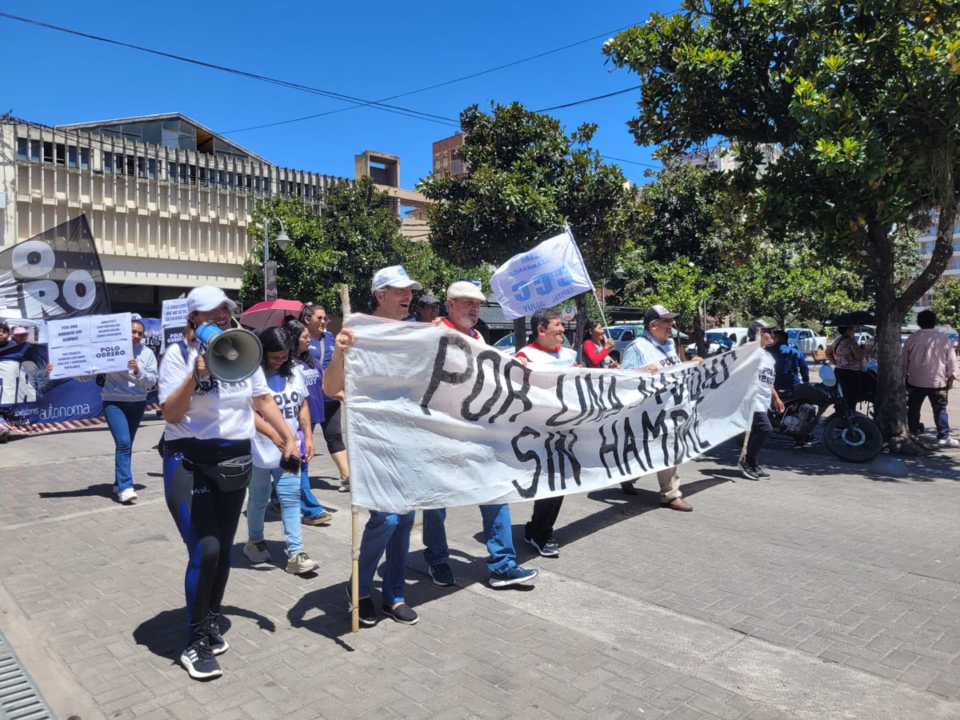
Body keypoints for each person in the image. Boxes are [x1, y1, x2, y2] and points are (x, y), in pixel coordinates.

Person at [158, 285, 298, 681]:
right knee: (206, 549)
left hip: (235, 461)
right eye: (210, 311)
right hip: (189, 460)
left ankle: (210, 617)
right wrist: (195, 375)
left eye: (225, 308)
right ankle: (194, 641)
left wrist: (286, 437)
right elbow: (170, 413)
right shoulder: (177, 355)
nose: (220, 315)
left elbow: (262, 401)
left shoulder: (241, 350)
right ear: (193, 318)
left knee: (220, 552)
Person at [422, 281, 539, 588]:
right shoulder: (433, 335)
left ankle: (502, 564)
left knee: (497, 492)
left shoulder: (477, 338)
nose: (473, 309)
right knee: (436, 502)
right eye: (466, 303)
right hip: (440, 436)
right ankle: (437, 559)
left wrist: (514, 365)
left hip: (478, 434)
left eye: (477, 304)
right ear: (450, 304)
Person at [323, 265, 422, 627]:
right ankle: (360, 589)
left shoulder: (414, 333)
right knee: (386, 516)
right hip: (373, 439)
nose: (408, 295)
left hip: (410, 436)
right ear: (380, 295)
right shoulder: (357, 330)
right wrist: (338, 354)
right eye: (400, 290)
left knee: (407, 517)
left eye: (409, 290)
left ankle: (394, 594)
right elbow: (331, 389)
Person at [244, 327, 322, 575]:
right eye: (274, 356)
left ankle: (296, 553)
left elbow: (302, 405)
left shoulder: (295, 372)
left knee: (290, 499)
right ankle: (255, 542)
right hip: (258, 448)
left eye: (284, 356)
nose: (279, 360)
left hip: (290, 448)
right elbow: (249, 412)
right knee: (258, 499)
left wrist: (307, 436)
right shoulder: (251, 375)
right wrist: (276, 437)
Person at [618, 305, 701, 509]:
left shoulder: (669, 344)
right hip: (650, 410)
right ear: (653, 325)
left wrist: (690, 363)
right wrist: (643, 370)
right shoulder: (637, 347)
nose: (671, 324)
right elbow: (623, 378)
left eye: (670, 320)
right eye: (666, 321)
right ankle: (671, 495)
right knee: (667, 447)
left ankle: (628, 475)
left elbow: (673, 368)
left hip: (672, 406)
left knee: (649, 448)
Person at [70, 319, 158, 504]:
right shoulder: (108, 349)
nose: (135, 336)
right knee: (124, 443)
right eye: (132, 332)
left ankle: (118, 483)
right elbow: (86, 375)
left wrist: (137, 370)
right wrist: (62, 370)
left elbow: (151, 382)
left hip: (137, 403)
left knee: (126, 445)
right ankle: (126, 487)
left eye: (140, 333)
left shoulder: (147, 353)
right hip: (113, 402)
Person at [515, 308, 579, 558]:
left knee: (560, 480)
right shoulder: (526, 356)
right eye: (556, 325)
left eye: (561, 325)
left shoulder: (569, 354)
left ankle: (535, 529)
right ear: (541, 330)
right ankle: (541, 534)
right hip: (541, 430)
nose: (562, 329)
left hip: (568, 426)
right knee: (551, 480)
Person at [282, 318, 332, 525]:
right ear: (293, 340)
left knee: (294, 464)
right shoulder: (286, 365)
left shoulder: (311, 359)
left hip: (312, 418)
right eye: (304, 336)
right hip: (293, 421)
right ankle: (310, 509)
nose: (308, 338)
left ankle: (278, 497)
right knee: (301, 464)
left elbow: (324, 383)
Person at [301, 303, 351, 493]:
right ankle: (298, 483)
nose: (323, 321)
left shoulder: (329, 338)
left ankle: (346, 478)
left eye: (325, 318)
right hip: (310, 400)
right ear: (307, 320)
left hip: (331, 398)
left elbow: (340, 365)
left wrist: (343, 387)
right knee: (305, 440)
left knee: (335, 436)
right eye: (319, 318)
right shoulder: (301, 341)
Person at [903, 310, 959, 448]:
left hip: (915, 380)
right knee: (940, 409)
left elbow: (904, 361)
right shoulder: (944, 339)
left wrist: (904, 377)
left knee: (913, 408)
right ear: (934, 322)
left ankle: (913, 432)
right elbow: (951, 362)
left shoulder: (912, 339)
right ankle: (943, 436)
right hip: (938, 381)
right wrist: (951, 379)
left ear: (918, 322)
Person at [738, 320, 783, 480]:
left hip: (764, 400)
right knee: (765, 428)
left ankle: (751, 462)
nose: (772, 335)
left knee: (758, 431)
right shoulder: (748, 352)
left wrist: (776, 398)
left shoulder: (769, 356)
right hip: (751, 399)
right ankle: (746, 461)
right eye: (767, 331)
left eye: (772, 332)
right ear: (757, 334)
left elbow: (768, 380)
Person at [830, 326, 875, 406]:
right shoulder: (851, 342)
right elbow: (860, 357)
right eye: (852, 329)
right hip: (851, 374)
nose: (854, 331)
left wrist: (836, 363)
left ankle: (840, 413)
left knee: (841, 394)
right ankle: (851, 415)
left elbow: (827, 352)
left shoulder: (837, 340)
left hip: (839, 371)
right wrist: (862, 350)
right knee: (851, 397)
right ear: (847, 330)